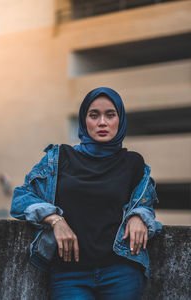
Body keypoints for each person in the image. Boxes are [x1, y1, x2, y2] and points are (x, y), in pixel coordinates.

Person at [10, 87, 162, 300]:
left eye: (110, 115)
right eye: (94, 115)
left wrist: (138, 216)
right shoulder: (60, 157)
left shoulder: (134, 163)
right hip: (69, 274)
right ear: (84, 120)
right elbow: (21, 198)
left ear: (120, 119)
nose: (102, 122)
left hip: (121, 272)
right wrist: (55, 220)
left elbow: (144, 202)